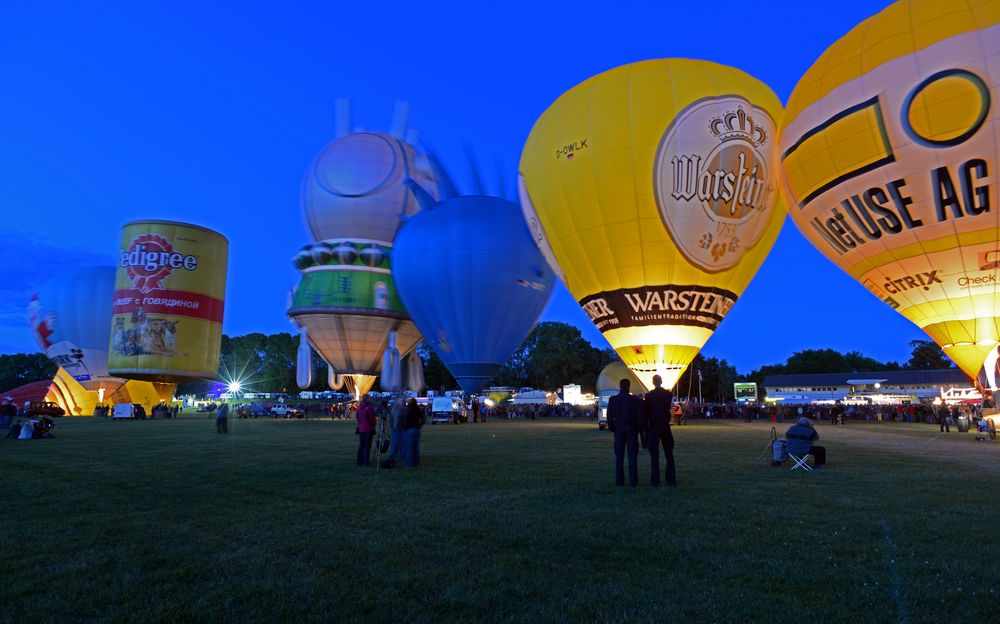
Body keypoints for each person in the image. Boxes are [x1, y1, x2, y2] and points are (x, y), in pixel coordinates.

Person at [643, 374, 677, 487]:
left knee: (654, 455)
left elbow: (646, 411)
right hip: (665, 426)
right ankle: (671, 480)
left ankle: (655, 481)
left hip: (654, 427)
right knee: (669, 454)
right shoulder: (668, 394)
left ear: (653, 382)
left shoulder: (649, 396)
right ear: (661, 381)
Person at [607, 378, 640, 487]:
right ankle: (633, 482)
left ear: (620, 387)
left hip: (619, 429)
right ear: (629, 387)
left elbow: (609, 416)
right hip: (631, 429)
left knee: (619, 458)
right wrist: (638, 428)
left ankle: (619, 482)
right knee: (632, 458)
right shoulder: (634, 400)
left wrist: (613, 428)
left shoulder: (613, 400)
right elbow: (639, 416)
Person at [404, 397, 424, 467]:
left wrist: (405, 427)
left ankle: (410, 464)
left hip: (409, 429)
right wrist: (420, 425)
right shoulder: (418, 409)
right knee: (416, 447)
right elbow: (423, 418)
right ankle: (416, 463)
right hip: (416, 429)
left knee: (409, 448)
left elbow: (405, 419)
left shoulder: (408, 409)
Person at [356, 395, 376, 466]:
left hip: (361, 428)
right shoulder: (370, 407)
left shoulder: (360, 407)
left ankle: (359, 461)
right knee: (367, 446)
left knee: (361, 445)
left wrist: (360, 423)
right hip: (368, 428)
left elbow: (357, 416)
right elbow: (372, 418)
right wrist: (373, 424)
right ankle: (365, 462)